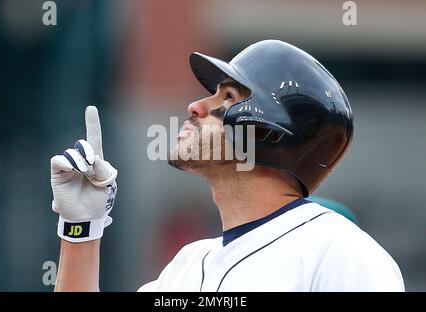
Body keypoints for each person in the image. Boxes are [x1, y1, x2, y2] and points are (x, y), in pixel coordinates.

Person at [50, 40, 404, 291]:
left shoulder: (340, 254)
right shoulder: (185, 269)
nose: (196, 106)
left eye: (228, 97)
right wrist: (81, 231)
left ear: (268, 133)